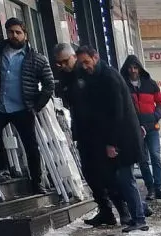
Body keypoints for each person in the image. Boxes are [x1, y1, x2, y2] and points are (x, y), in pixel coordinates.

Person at [75, 45, 147, 233]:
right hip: (120, 137)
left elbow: (117, 113)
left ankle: (139, 218)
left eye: (86, 62)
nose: (84, 66)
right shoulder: (97, 76)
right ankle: (138, 214)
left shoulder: (109, 78)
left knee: (126, 179)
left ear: (95, 57)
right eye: (81, 63)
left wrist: (112, 143)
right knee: (122, 179)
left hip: (124, 138)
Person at [52, 42, 117, 226]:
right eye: (60, 63)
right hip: (82, 131)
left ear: (74, 57)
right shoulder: (66, 78)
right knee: (90, 173)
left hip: (97, 131)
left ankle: (126, 208)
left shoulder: (88, 74)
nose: (63, 66)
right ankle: (105, 210)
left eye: (66, 61)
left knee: (106, 174)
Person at [0, 18, 54, 190]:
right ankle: (3, 168)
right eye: (11, 32)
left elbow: (49, 84)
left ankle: (36, 181)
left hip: (22, 108)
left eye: (18, 32)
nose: (14, 35)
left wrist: (36, 106)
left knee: (30, 145)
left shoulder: (37, 58)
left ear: (25, 34)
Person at [119, 55, 161, 201]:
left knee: (155, 155)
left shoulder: (150, 84)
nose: (133, 70)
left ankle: (158, 187)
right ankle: (150, 188)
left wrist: (156, 114)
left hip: (152, 127)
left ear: (140, 68)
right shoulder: (124, 86)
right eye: (130, 68)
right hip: (136, 129)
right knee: (143, 160)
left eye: (135, 67)